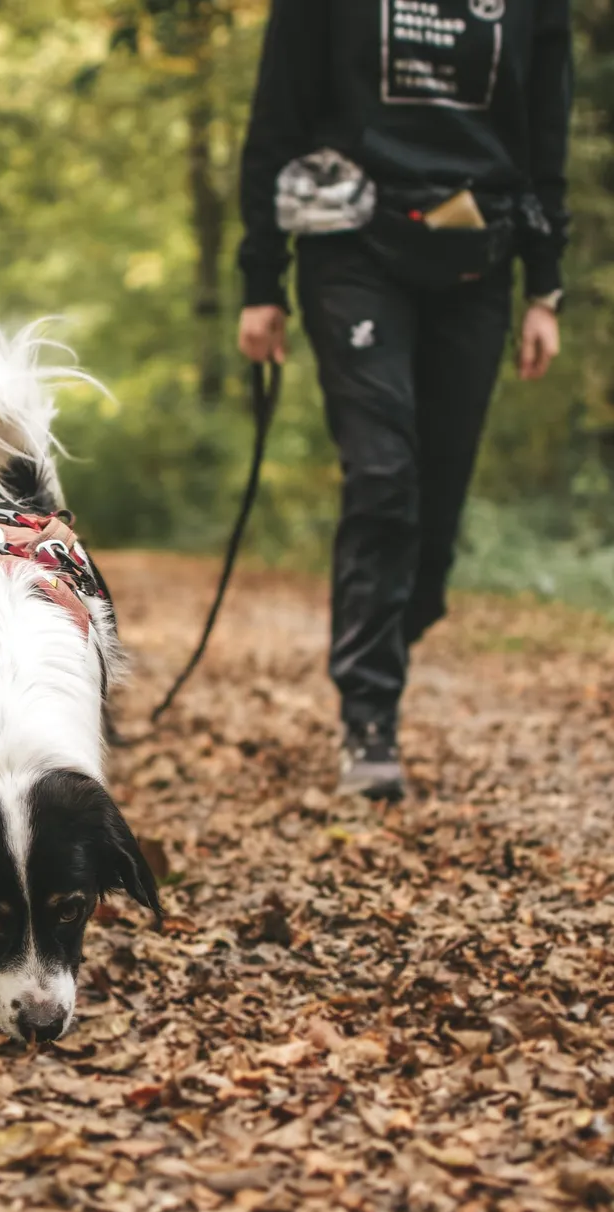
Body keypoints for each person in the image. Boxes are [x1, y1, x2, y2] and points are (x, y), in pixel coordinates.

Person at [236, 0, 572, 800]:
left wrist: (546, 284)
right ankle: (369, 715)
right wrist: (261, 278)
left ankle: (395, 623)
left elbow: (545, 120)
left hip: (479, 252)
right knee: (385, 475)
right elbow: (277, 115)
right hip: (352, 241)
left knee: (436, 502)